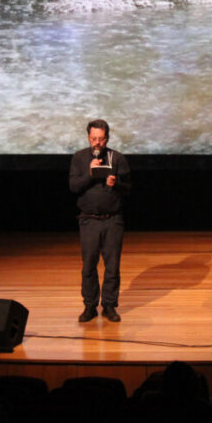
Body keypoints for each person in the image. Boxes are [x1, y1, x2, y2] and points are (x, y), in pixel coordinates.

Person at [69, 119, 131, 322]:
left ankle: (109, 306)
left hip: (112, 220)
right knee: (89, 266)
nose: (97, 143)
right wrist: (89, 172)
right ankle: (89, 306)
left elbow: (128, 189)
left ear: (107, 138)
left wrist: (116, 183)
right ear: (88, 138)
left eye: (101, 139)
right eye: (94, 139)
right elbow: (74, 186)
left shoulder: (118, 158)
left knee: (112, 266)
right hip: (89, 220)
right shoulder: (79, 158)